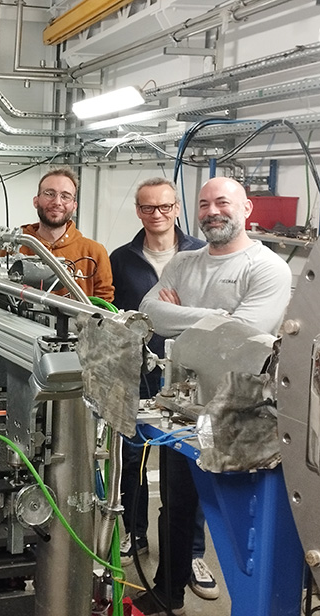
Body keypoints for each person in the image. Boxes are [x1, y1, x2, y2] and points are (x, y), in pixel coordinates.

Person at [133, 177, 292, 616]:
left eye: (222, 202)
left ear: (246, 208)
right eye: (204, 204)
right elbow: (150, 312)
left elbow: (242, 335)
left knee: (237, 517)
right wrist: (214, 315)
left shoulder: (267, 267)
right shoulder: (184, 262)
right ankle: (168, 592)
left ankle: (253, 601)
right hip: (182, 407)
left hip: (237, 415)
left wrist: (187, 316)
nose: (212, 211)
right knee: (176, 506)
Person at [109, 178, 217, 600]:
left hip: (189, 372)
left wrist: (176, 313)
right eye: (148, 208)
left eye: (165, 207)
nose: (157, 215)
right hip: (138, 369)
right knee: (132, 456)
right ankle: (134, 533)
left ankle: (193, 554)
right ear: (138, 211)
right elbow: (125, 315)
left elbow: (210, 317)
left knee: (190, 463)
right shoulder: (122, 259)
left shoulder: (200, 255)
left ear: (176, 208)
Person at [19, 166, 114, 301]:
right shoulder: (16, 246)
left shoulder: (94, 252)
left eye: (65, 196)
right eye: (49, 194)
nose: (57, 202)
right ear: (36, 201)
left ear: (74, 206)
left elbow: (104, 301)